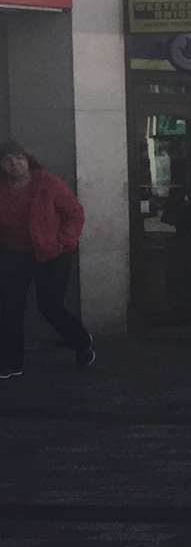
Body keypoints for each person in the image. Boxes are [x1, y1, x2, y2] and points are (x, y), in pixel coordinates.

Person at [0, 142, 94, 377]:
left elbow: (74, 214)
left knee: (49, 306)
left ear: (28, 159)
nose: (14, 163)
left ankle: (81, 342)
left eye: (19, 158)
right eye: (7, 159)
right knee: (10, 307)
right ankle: (12, 363)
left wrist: (62, 241)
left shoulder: (48, 183)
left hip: (52, 254)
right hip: (14, 253)